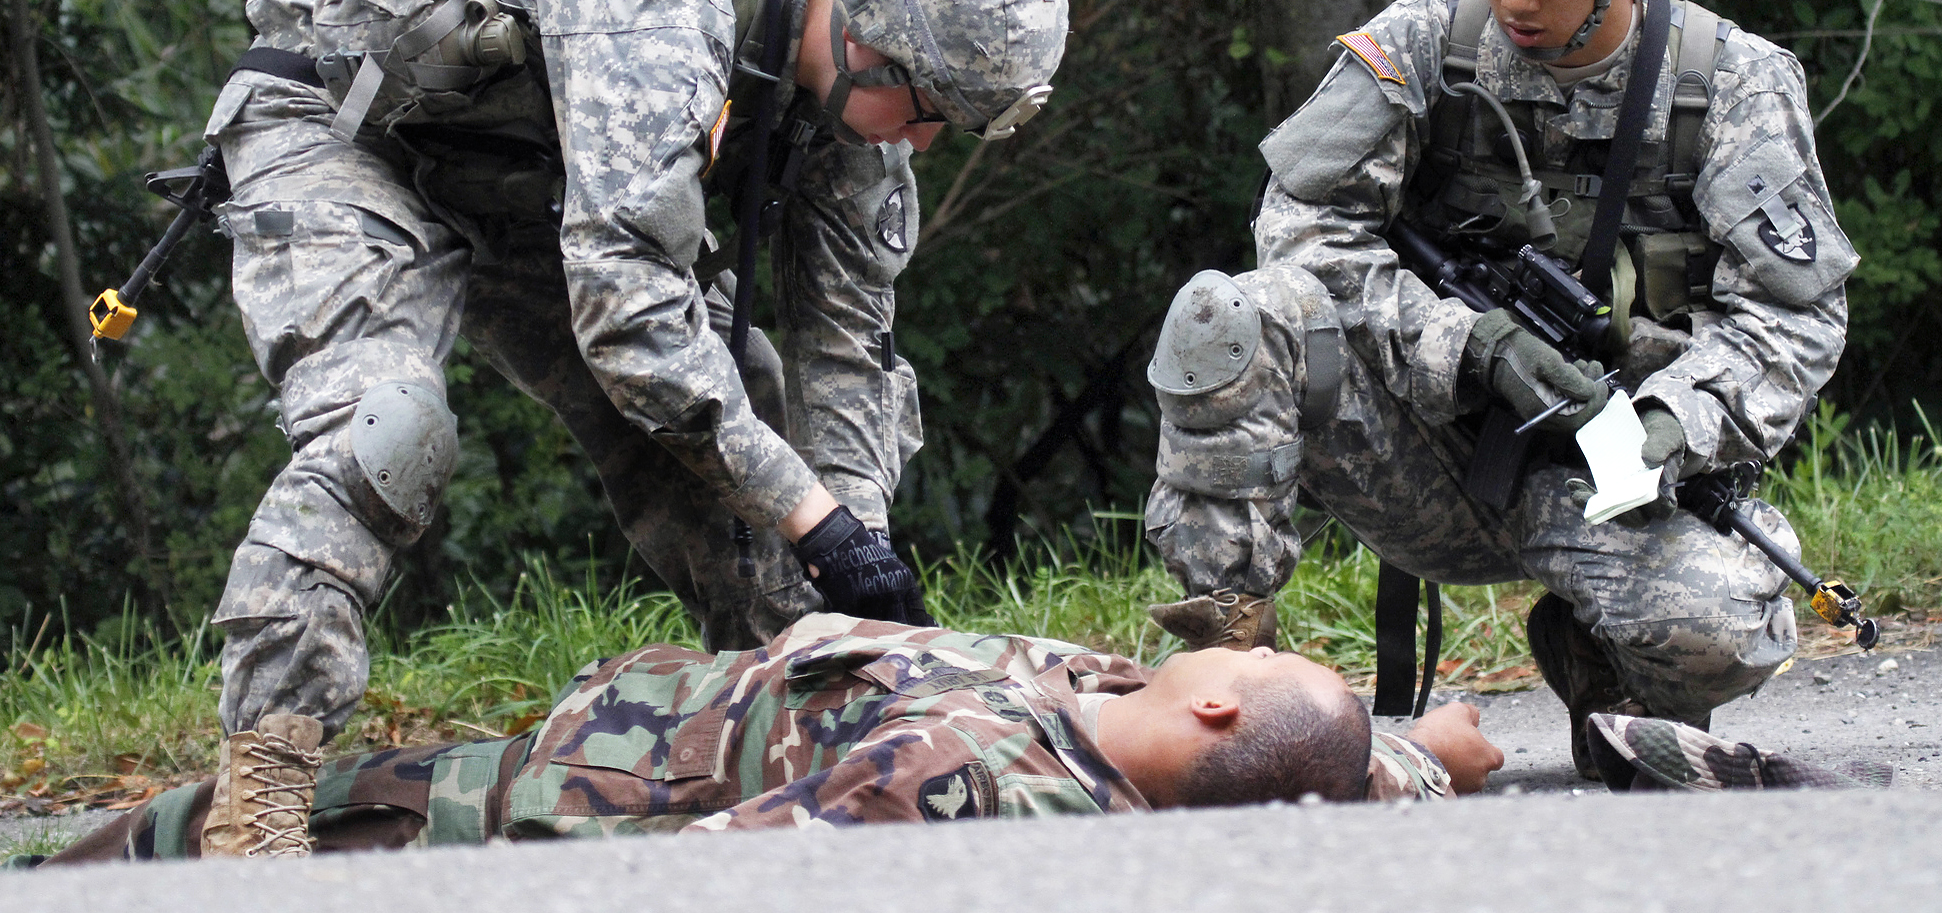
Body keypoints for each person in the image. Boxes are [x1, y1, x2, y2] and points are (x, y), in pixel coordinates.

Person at [197, 0, 1069, 856]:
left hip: (531, 184)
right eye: (928, 108)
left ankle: (805, 744)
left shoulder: (861, 109)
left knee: (752, 431)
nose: (925, 142)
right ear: (863, 31)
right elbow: (632, 321)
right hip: (350, 131)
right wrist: (815, 515)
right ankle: (262, 792)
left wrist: (859, 550)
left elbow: (845, 344)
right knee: (389, 430)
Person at [1142, 0, 1854, 780]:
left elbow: (1793, 317)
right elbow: (1300, 236)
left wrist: (1671, 423)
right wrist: (1466, 342)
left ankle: (1600, 661)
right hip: (1420, 452)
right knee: (1234, 314)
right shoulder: (1421, 45)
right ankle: (1229, 673)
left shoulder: (1730, 84)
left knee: (1721, 624)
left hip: (1604, 472)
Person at [36, 615, 1495, 864]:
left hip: (515, 806)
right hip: (599, 725)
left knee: (143, 850)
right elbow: (1352, 766)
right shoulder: (1250, 758)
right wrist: (1440, 744)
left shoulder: (958, 786)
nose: (1229, 636)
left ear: (1219, 702)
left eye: (1245, 650)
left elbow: (698, 871)